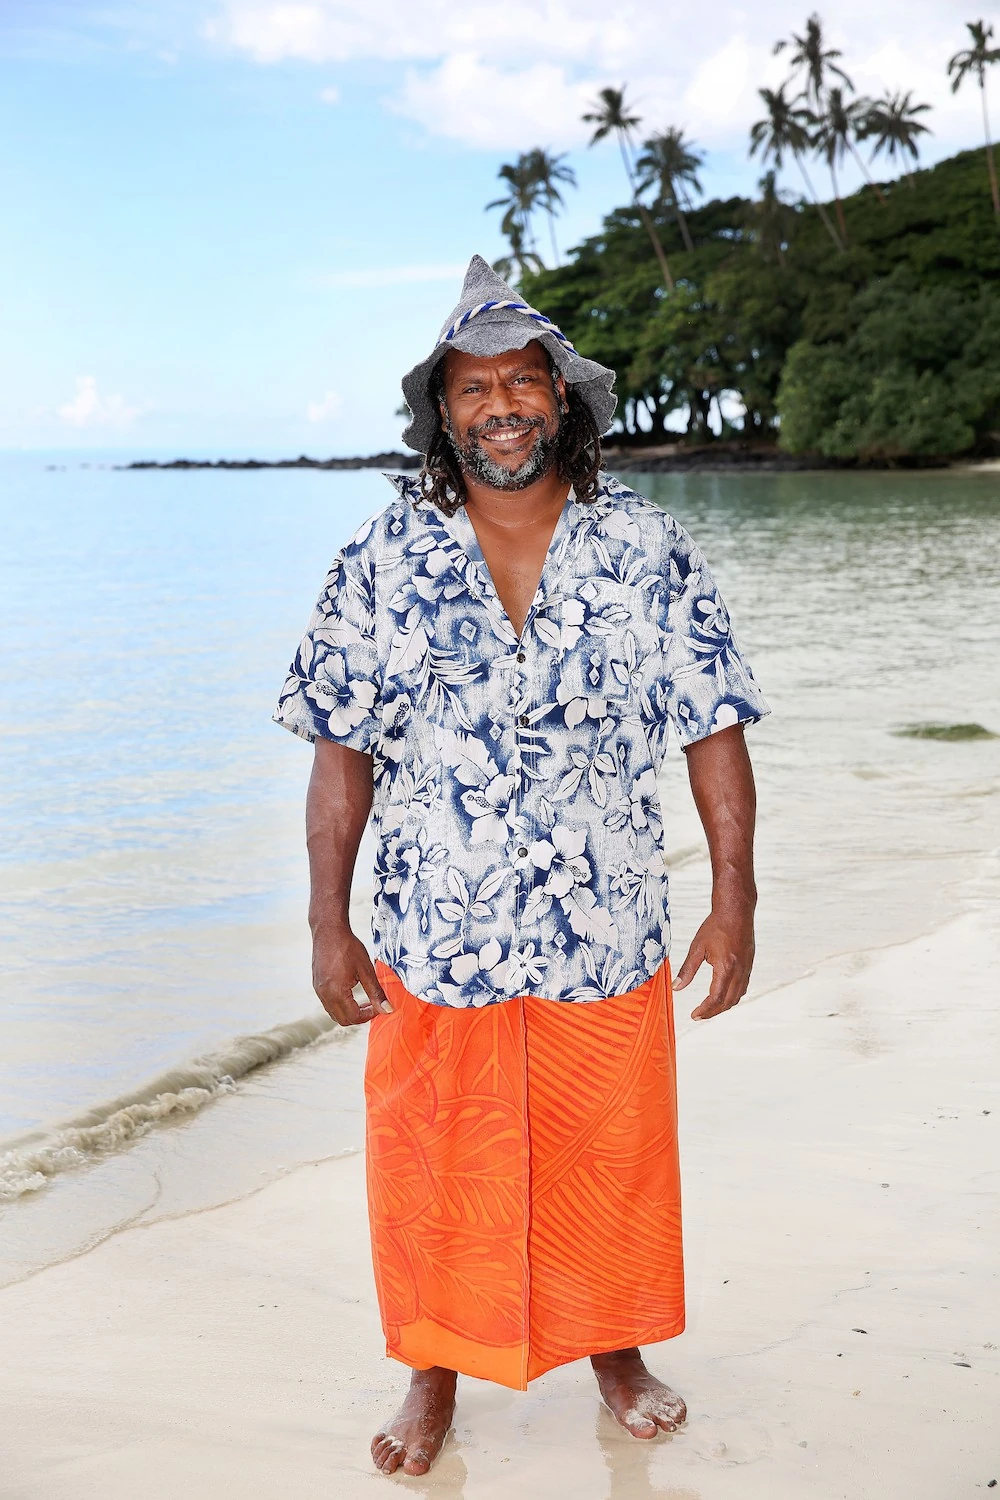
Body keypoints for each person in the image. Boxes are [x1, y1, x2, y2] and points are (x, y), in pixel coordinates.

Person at [273, 255, 771, 1478]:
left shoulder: (646, 546)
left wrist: (735, 899)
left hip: (603, 919)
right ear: (441, 415)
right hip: (436, 929)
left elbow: (712, 726)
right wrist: (327, 923)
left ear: (563, 398)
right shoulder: (381, 556)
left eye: (522, 382)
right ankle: (433, 1370)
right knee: (436, 1157)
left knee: (608, 1147)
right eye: (473, 387)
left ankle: (616, 1350)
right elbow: (340, 756)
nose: (501, 405)